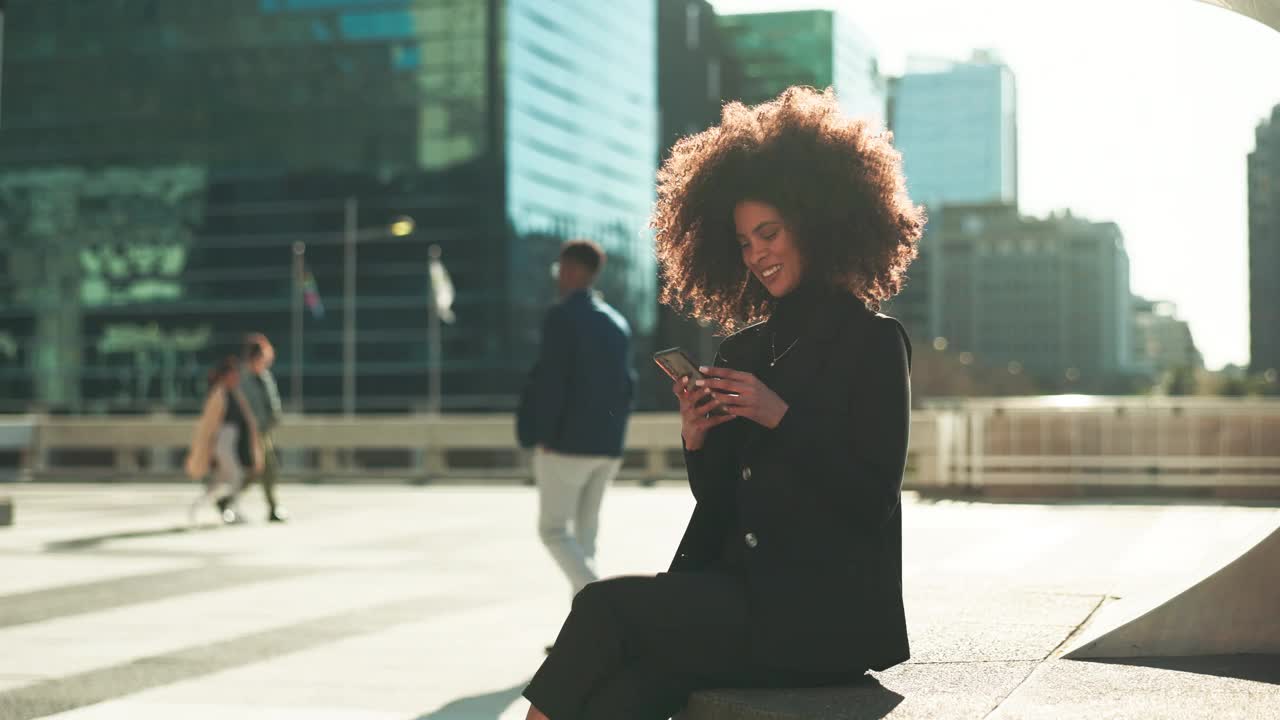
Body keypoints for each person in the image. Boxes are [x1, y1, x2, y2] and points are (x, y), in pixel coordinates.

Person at [522, 87, 924, 720]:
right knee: (619, 697)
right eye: (742, 242)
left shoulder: (874, 342)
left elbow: (871, 496)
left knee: (601, 607)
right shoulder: (745, 348)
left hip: (819, 616)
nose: (757, 253)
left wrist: (779, 416)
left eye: (769, 232)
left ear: (815, 224)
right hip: (736, 597)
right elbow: (720, 499)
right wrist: (698, 437)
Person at [517, 240, 636, 604]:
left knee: (553, 531)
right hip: (607, 445)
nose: (559, 276)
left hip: (566, 443)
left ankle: (603, 603)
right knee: (585, 538)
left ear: (573, 270)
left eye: (561, 268)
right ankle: (585, 634)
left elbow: (553, 381)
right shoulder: (617, 323)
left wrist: (543, 434)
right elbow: (626, 386)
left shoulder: (562, 316)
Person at [185, 356, 264, 524]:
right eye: (232, 374)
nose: (236, 377)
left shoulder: (235, 393)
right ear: (225, 376)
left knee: (220, 481)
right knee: (236, 476)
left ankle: (197, 508)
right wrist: (210, 451)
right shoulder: (219, 394)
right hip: (222, 442)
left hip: (231, 442)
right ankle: (232, 510)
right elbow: (210, 425)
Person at [237, 333, 289, 523]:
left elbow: (272, 404)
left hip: (264, 431)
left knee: (262, 469)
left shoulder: (264, 377)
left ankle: (228, 500)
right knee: (262, 468)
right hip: (251, 433)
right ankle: (272, 507)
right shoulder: (242, 380)